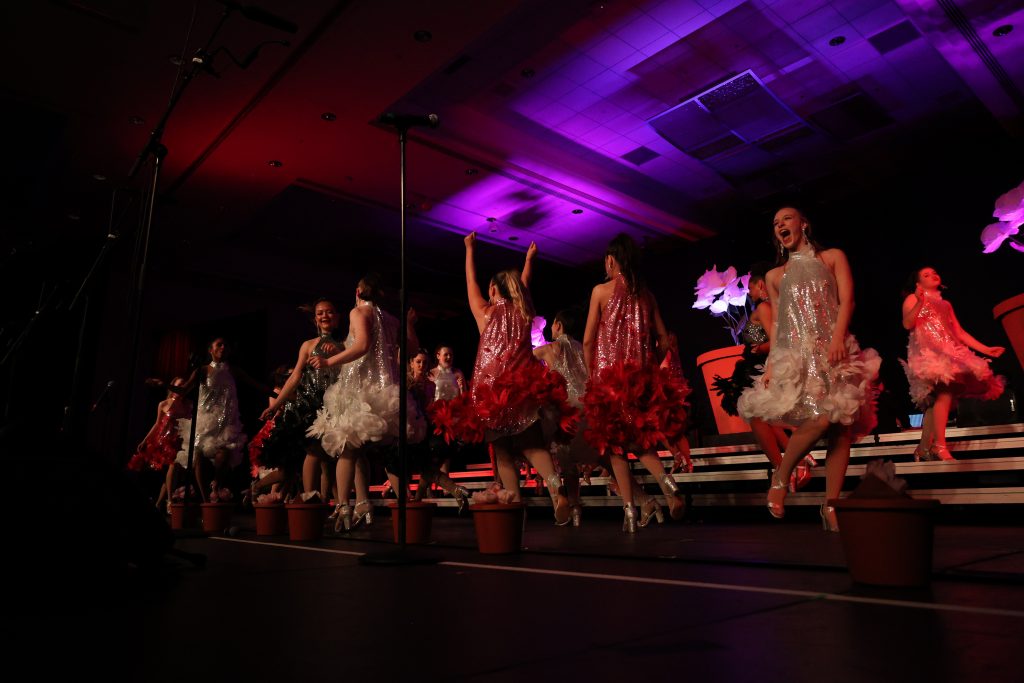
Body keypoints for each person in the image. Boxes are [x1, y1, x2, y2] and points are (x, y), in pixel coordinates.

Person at [737, 207, 881, 532]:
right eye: (775, 223)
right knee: (820, 420)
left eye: (786, 219)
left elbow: (848, 300)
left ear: (803, 223)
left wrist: (837, 337)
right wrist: (773, 364)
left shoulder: (832, 257)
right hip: (801, 358)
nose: (780, 225)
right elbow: (779, 329)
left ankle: (831, 505)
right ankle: (781, 475)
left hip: (834, 351)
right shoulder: (775, 276)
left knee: (840, 430)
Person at [459, 232, 572, 524]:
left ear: (493, 290)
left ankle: (514, 510)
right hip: (522, 391)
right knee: (533, 446)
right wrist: (529, 262)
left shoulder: (484, 313)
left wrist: (469, 249)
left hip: (492, 394)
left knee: (503, 452)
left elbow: (470, 281)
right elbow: (522, 287)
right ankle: (557, 490)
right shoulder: (524, 312)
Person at [582, 233, 690, 532]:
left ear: (611, 259)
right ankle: (667, 483)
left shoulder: (600, 291)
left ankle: (630, 511)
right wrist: (650, 362)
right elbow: (665, 339)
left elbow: (589, 338)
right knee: (640, 440)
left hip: (608, 379)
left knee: (616, 446)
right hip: (640, 379)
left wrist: (592, 374)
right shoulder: (647, 295)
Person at [307, 276, 425, 532]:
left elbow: (362, 345)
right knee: (373, 452)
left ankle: (344, 507)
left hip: (359, 389)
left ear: (358, 291)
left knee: (348, 450)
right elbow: (413, 346)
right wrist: (409, 324)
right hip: (384, 390)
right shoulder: (392, 320)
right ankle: (378, 505)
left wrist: (329, 361)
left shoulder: (359, 311)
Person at [712, 263, 812, 488]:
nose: (748, 292)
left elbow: (778, 339)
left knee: (764, 415)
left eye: (751, 287)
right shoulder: (766, 308)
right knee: (763, 415)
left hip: (764, 366)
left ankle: (789, 465)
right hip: (757, 366)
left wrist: (759, 350)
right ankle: (793, 462)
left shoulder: (765, 308)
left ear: (760, 285)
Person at [901, 266, 1005, 460]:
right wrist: (920, 301)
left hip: (949, 352)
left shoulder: (946, 304)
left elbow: (959, 332)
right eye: (926, 275)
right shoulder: (912, 299)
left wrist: (986, 349)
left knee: (939, 400)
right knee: (945, 394)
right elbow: (907, 324)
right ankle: (939, 446)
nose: (932, 275)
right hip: (929, 354)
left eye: (934, 272)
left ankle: (924, 448)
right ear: (917, 283)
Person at [169, 337, 255, 501]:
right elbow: (184, 390)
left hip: (224, 423)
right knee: (199, 457)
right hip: (204, 420)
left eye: (225, 344)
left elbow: (254, 384)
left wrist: (278, 396)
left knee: (224, 455)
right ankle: (205, 499)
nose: (223, 347)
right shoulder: (202, 370)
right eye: (219, 344)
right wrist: (165, 385)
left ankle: (216, 484)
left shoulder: (233, 370)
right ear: (210, 350)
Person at [127, 377, 191, 512]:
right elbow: (157, 424)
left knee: (173, 470)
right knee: (171, 470)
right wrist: (145, 440)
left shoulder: (188, 404)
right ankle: (166, 502)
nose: (181, 387)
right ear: (172, 387)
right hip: (165, 440)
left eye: (183, 385)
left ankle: (163, 503)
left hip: (180, 441)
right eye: (179, 384)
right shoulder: (163, 404)